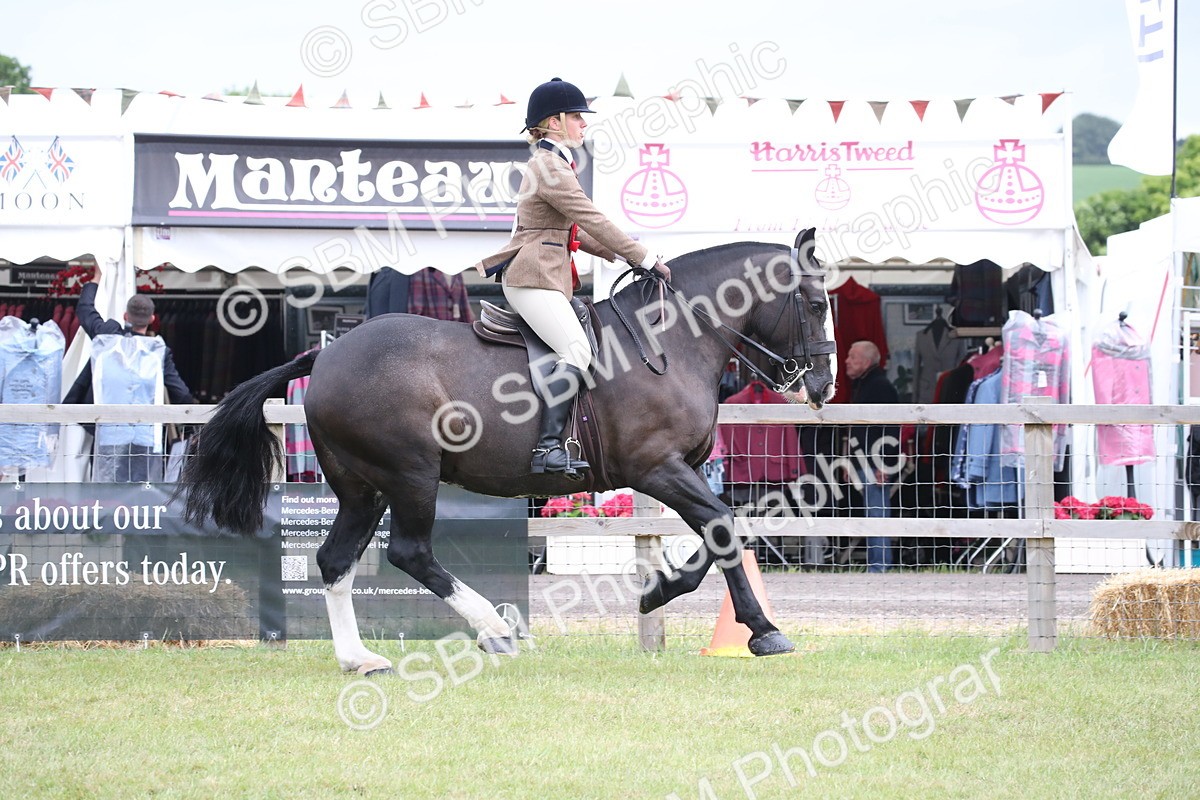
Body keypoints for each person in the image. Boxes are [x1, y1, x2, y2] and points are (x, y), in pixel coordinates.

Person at [474, 77, 670, 478]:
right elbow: (591, 217)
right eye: (578, 117)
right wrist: (644, 257)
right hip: (533, 276)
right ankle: (546, 450)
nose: (584, 124)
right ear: (555, 121)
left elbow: (570, 232)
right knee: (578, 352)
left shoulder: (556, 163)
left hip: (546, 273)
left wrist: (618, 256)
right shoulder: (549, 166)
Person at [64, 266, 195, 481]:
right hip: (145, 436)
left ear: (126, 316)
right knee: (141, 496)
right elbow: (181, 393)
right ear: (152, 318)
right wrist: (189, 424)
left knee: (106, 494)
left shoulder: (106, 338)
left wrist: (97, 277)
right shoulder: (157, 351)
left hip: (109, 434)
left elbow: (85, 310)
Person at [843, 340, 901, 572]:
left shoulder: (880, 386)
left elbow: (891, 429)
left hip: (875, 464)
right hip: (864, 461)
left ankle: (880, 567)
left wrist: (885, 465)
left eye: (853, 357)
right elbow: (855, 430)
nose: (847, 361)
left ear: (866, 362)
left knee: (877, 515)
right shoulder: (864, 384)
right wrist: (849, 461)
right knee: (872, 514)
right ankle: (876, 565)